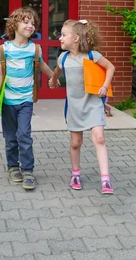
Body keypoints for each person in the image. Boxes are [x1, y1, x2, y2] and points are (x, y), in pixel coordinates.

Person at [49, 19, 116, 194]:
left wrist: (104, 86)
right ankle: (76, 173)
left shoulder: (92, 56)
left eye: (63, 35)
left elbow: (110, 67)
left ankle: (105, 180)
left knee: (99, 138)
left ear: (76, 38)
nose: (60, 39)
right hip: (74, 107)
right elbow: (57, 70)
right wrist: (53, 79)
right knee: (76, 143)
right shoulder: (63, 58)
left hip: (93, 104)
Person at [0, 7, 54, 190]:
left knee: (24, 134)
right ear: (14, 25)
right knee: (10, 137)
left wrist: (53, 77)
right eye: (26, 22)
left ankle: (27, 170)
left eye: (33, 23)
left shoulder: (34, 49)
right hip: (8, 101)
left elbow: (42, 65)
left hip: (26, 100)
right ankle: (13, 167)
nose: (30, 26)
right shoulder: (4, 49)